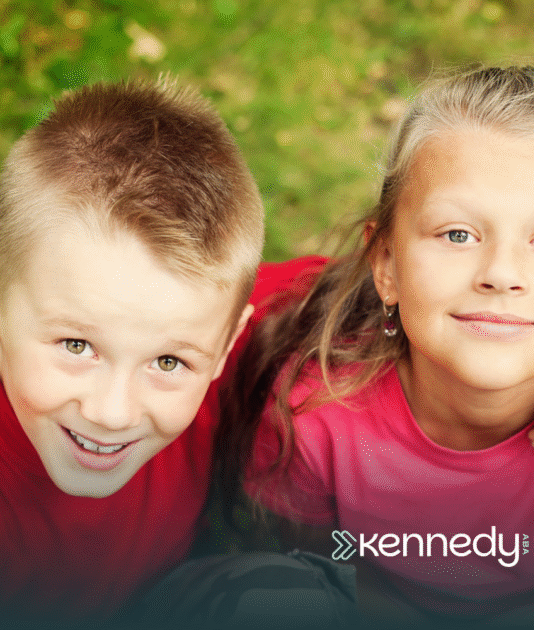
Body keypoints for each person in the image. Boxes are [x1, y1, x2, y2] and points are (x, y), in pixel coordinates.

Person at [220, 66, 534, 628]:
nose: (501, 274)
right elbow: (321, 562)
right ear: (387, 264)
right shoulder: (315, 419)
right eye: (458, 234)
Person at [0, 78, 334, 622]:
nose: (112, 412)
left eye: (168, 362)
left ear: (226, 343)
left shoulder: (198, 314)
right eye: (77, 344)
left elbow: (364, 291)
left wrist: (523, 368)